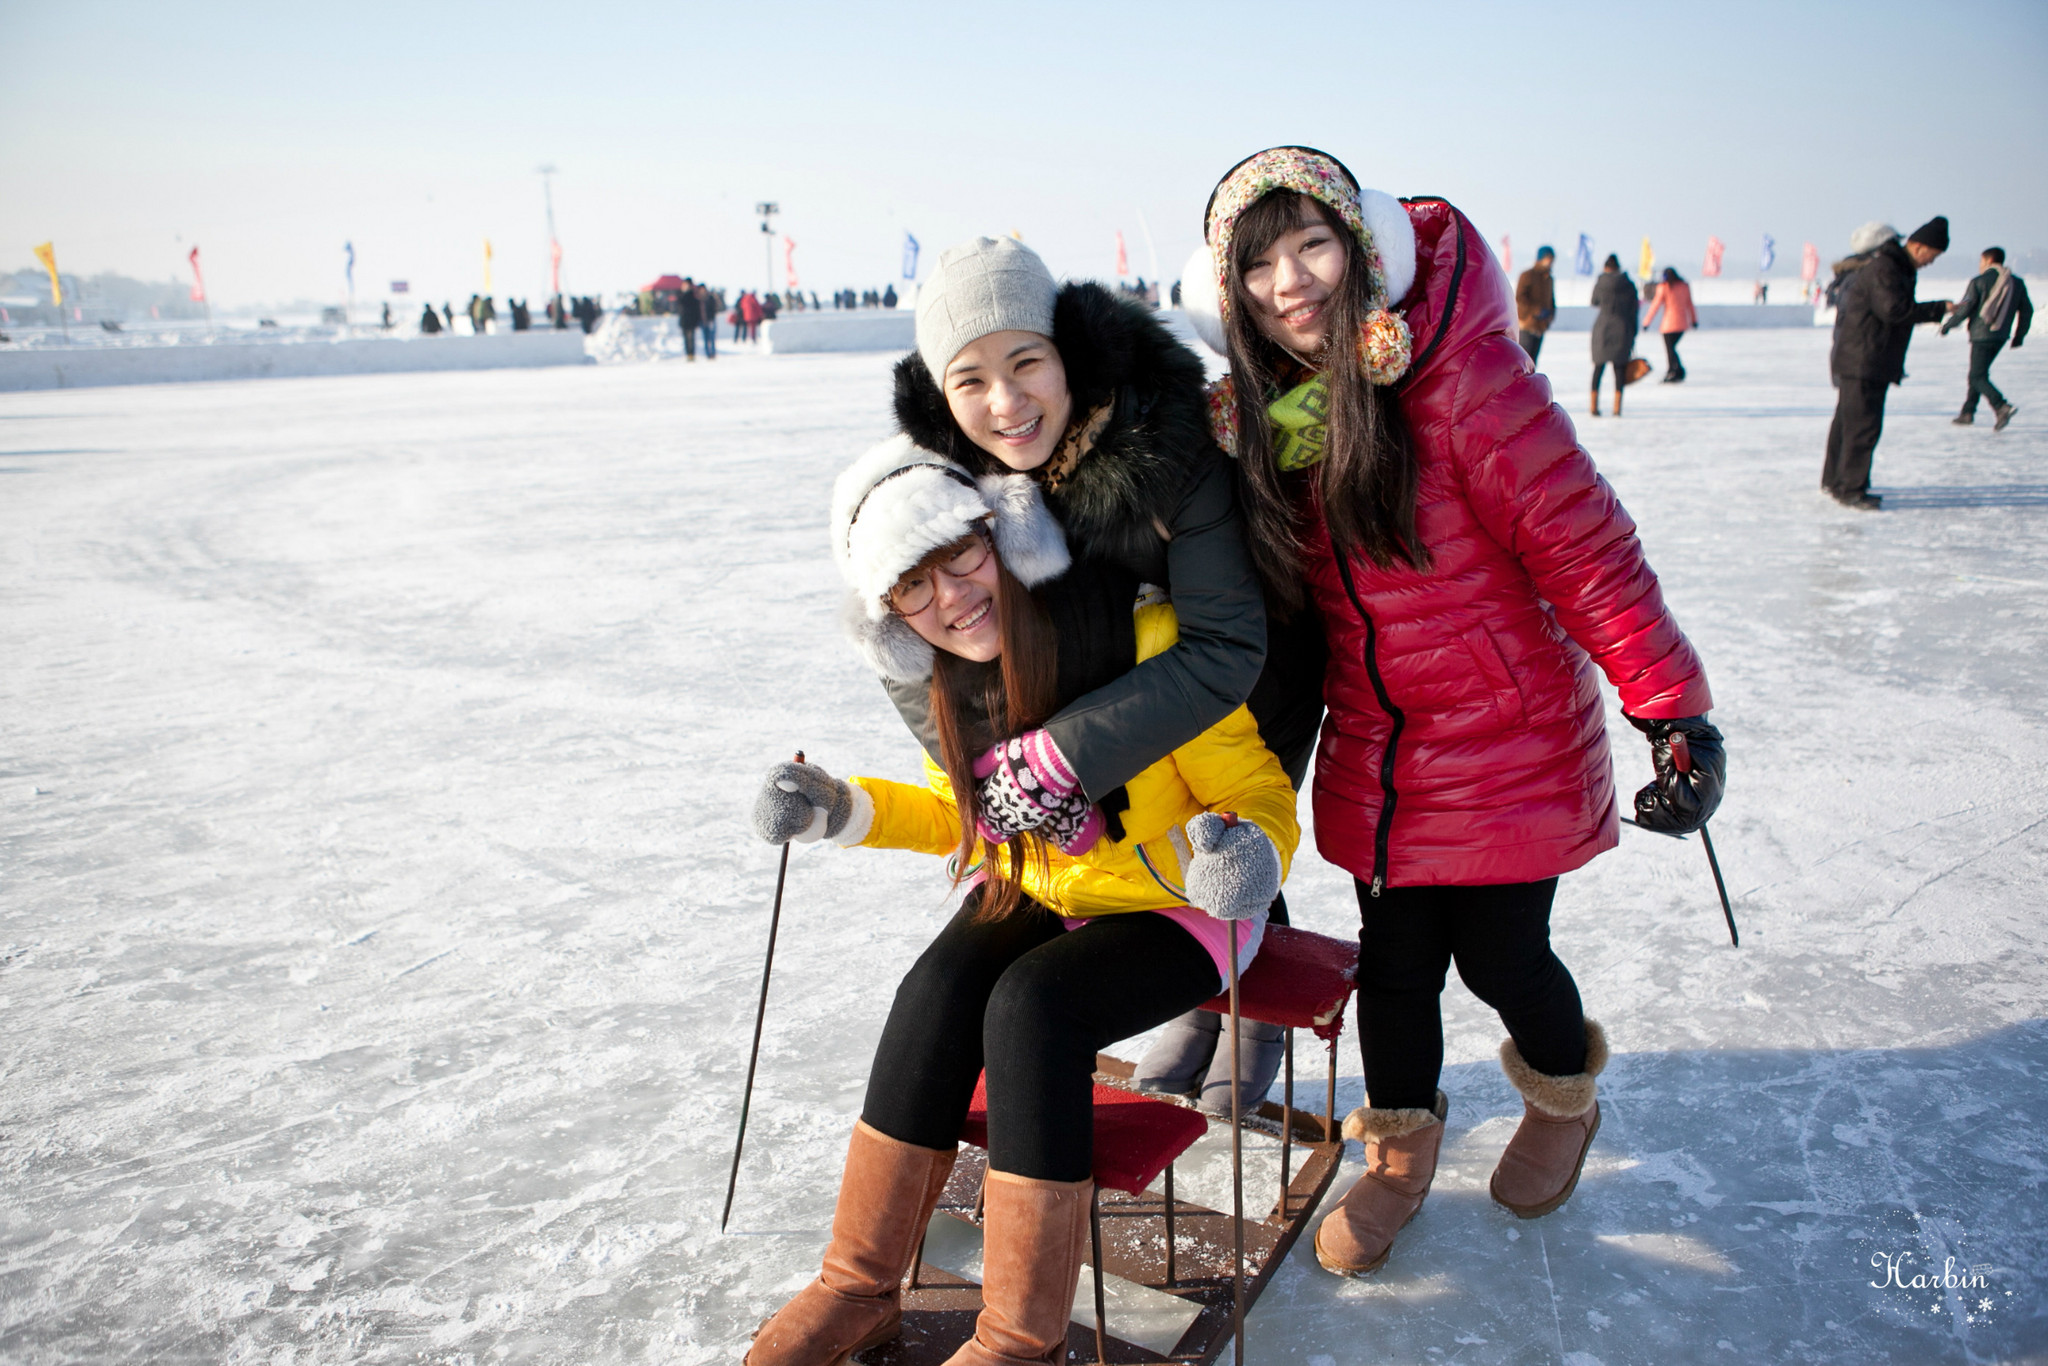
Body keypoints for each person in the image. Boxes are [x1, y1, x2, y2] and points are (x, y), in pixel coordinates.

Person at [1181, 145, 1722, 1277]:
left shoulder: (1464, 383)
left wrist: (1670, 710)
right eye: (1260, 263)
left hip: (1509, 734)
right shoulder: (1266, 425)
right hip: (1380, 749)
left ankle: (1563, 1100)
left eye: (1312, 245)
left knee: (1503, 957)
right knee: (1392, 966)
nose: (1291, 282)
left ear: (1364, 252)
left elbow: (1589, 551)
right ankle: (1399, 1155)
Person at [744, 442, 1298, 1366]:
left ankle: (1016, 1338)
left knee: (1033, 1008)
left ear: (1000, 538)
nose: (951, 598)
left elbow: (1258, 787)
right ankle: (859, 1283)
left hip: (1184, 903)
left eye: (960, 558)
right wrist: (843, 808)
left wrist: (1249, 849)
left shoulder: (1139, 641)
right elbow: (954, 812)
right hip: (1050, 884)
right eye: (913, 590)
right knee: (937, 988)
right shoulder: (947, 681)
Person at [888, 236, 1297, 1114]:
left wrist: (1065, 758)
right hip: (1099, 694)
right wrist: (991, 774)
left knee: (1228, 834)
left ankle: (1243, 1009)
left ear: (1066, 348)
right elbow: (911, 638)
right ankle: (1191, 1000)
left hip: (1240, 669)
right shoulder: (947, 472)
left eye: (1026, 362)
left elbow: (1224, 648)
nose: (1005, 402)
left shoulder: (1165, 436)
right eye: (970, 379)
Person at [1823, 216, 1950, 510]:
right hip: (1865, 359)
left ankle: (1836, 481)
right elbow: (1893, 309)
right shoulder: (1887, 267)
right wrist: (1938, 309)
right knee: (1862, 426)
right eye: (1932, 255)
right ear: (1918, 246)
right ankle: (1850, 488)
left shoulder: (1891, 266)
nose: (1931, 262)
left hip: (1862, 356)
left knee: (1848, 422)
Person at [1941, 246, 2030, 430]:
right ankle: (1968, 413)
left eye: (1981, 261)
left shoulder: (1978, 281)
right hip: (2001, 336)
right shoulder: (2016, 283)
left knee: (1977, 376)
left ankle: (2001, 406)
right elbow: (2026, 311)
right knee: (1978, 373)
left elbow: (1966, 307)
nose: (1980, 265)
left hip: (1981, 336)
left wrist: (1948, 325)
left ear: (1988, 260)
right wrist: (2019, 336)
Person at [1589, 253, 1638, 415]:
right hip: (1623, 328)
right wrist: (1633, 334)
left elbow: (1594, 301)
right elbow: (1634, 312)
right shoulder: (1629, 285)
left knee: (1598, 368)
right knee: (1619, 370)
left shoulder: (1601, 282)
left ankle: (1593, 406)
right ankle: (1617, 408)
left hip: (1602, 328)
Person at [1642, 266, 1698, 382]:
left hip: (1669, 324)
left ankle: (1674, 369)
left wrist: (1646, 322)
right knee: (1672, 348)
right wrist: (1694, 320)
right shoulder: (1684, 287)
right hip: (1682, 324)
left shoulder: (1664, 287)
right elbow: (1690, 305)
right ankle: (1676, 369)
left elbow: (1655, 306)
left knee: (1670, 348)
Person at [1514, 244, 1557, 362]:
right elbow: (1520, 297)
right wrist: (1536, 310)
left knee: (1533, 362)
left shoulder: (1549, 278)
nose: (1550, 262)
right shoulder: (1527, 275)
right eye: (1548, 258)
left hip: (1541, 326)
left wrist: (1551, 314)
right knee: (1523, 361)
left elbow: (1551, 299)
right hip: (1527, 324)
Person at [676, 277, 702, 360]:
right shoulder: (680, 294)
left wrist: (697, 320)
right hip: (684, 320)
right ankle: (688, 354)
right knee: (686, 339)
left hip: (692, 320)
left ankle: (692, 354)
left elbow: (697, 309)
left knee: (691, 338)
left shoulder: (693, 295)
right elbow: (679, 304)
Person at [695, 283, 719, 359]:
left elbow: (714, 308)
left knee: (711, 338)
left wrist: (711, 317)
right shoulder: (698, 299)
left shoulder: (710, 298)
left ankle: (713, 353)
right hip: (702, 321)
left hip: (710, 320)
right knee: (705, 338)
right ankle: (707, 353)